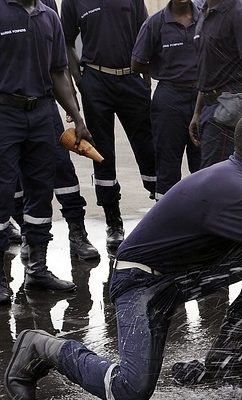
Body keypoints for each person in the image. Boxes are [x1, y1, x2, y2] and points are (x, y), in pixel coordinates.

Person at [4, 112, 242, 400]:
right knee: (129, 389)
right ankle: (42, 346)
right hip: (138, 281)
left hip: (175, 279)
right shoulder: (236, 190)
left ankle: (228, 354)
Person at [0, 0, 92, 303]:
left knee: (40, 191)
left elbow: (58, 72)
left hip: (41, 113)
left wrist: (76, 117)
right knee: (2, 192)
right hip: (5, 113)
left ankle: (37, 269)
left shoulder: (49, 17)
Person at [61, 0, 156, 250]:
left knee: (149, 150)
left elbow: (144, 32)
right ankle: (113, 222)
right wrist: (81, 82)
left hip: (132, 80)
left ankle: (161, 212)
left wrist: (145, 79)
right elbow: (66, 42)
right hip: (96, 82)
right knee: (102, 154)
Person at [131, 0, 202, 200]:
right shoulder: (155, 23)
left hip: (203, 97)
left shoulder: (205, 19)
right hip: (169, 99)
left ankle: (203, 220)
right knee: (168, 164)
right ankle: (167, 222)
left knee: (203, 164)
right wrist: (163, 70)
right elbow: (136, 63)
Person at [189, 0, 242, 169]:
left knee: (218, 176)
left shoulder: (238, 11)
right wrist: (198, 112)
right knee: (221, 175)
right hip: (211, 106)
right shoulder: (205, 11)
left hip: (229, 107)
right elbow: (208, 68)